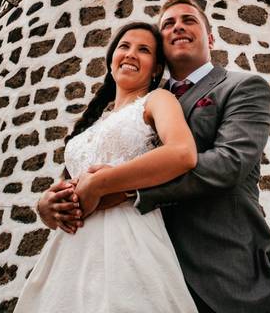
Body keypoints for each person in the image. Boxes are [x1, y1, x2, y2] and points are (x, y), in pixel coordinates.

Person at [38, 0, 270, 313]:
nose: (177, 27)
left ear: (209, 37)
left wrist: (127, 190)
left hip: (224, 266)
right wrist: (49, 205)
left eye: (189, 20)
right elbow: (84, 172)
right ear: (162, 49)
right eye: (168, 24)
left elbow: (228, 163)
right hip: (139, 262)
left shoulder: (240, 86)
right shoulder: (141, 101)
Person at [16, 21, 200, 312]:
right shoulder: (91, 123)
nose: (130, 54)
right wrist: (46, 206)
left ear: (155, 69)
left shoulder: (157, 100)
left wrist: (103, 182)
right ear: (111, 59)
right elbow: (67, 183)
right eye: (124, 47)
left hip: (126, 239)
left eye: (144, 50)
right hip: (68, 250)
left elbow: (182, 153)